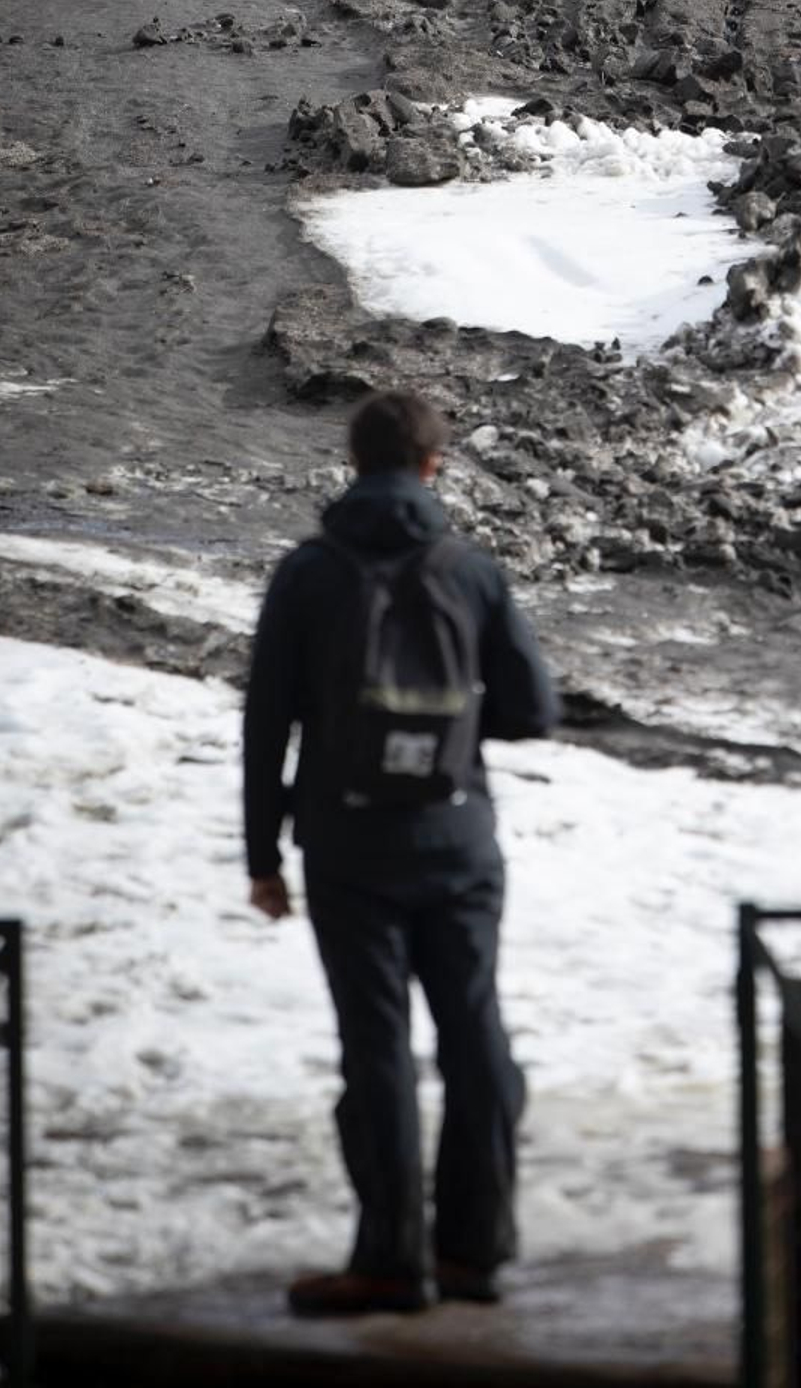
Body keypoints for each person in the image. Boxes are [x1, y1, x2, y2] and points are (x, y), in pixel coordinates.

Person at [243, 388, 559, 1317]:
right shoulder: (470, 569)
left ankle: (391, 1261)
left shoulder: (309, 573)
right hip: (459, 840)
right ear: (434, 466)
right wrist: (457, 737)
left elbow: (268, 729)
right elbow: (534, 710)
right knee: (475, 1035)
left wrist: (262, 858)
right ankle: (475, 1252)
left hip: (347, 845)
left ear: (354, 462)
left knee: (376, 1051)